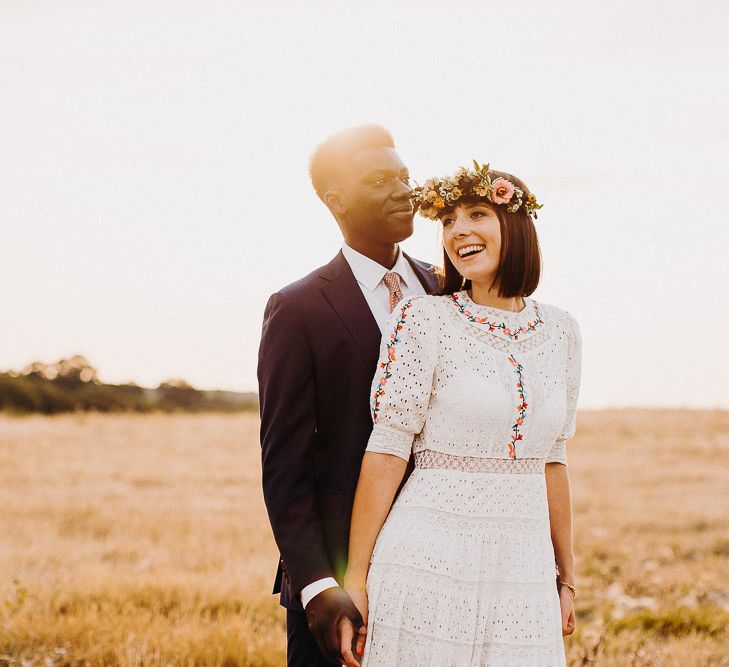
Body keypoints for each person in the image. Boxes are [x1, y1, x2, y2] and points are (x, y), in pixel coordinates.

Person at [340, 162, 581, 666]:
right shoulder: (424, 319)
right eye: (448, 221)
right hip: (428, 559)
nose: (459, 231)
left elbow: (553, 459)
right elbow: (387, 450)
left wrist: (567, 579)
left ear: (515, 225)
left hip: (524, 569)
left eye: (477, 213)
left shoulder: (562, 331)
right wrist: (356, 580)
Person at [257, 124, 440, 666]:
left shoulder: (448, 288)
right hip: (338, 583)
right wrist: (317, 585)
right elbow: (284, 465)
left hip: (440, 563)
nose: (403, 190)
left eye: (405, 177)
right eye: (381, 180)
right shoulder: (298, 309)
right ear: (336, 200)